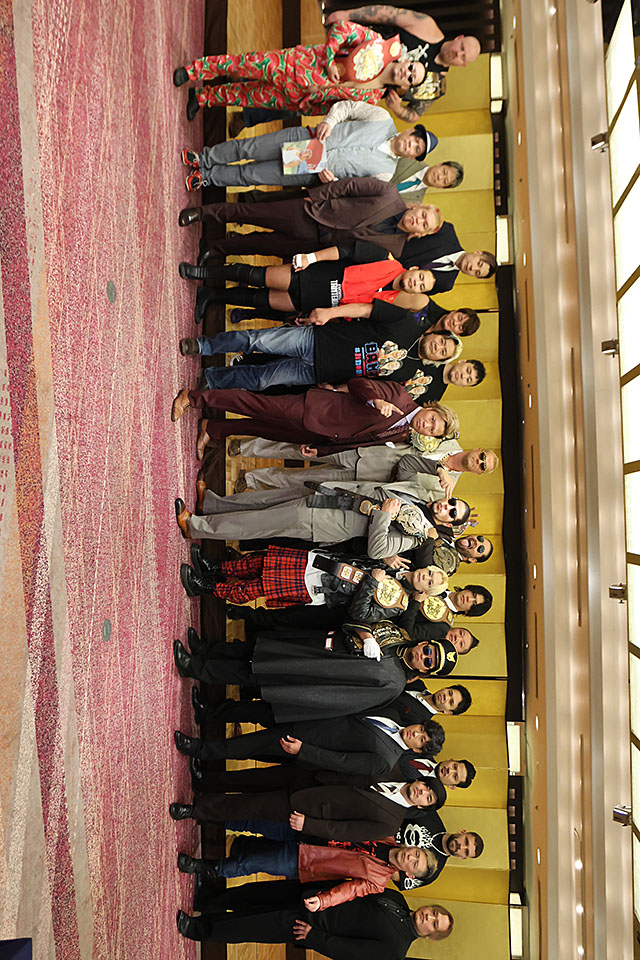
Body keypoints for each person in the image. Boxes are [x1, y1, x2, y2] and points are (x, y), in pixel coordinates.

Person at [172, 620, 463, 722]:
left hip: (311, 672)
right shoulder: (399, 636)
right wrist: (366, 636)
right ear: (425, 643)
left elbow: (344, 699)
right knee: (255, 648)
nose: (423, 656)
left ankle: (193, 668)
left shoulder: (394, 684)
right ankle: (204, 649)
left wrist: (304, 690)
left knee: (249, 674)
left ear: (425, 672)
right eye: (428, 650)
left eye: (428, 662)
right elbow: (359, 621)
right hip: (317, 643)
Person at [174, 21, 430, 120]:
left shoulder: (373, 98)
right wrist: (329, 60)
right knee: (241, 64)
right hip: (296, 64)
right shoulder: (377, 44)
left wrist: (307, 106)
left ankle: (202, 98)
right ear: (406, 60)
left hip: (298, 97)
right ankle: (194, 71)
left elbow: (335, 108)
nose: (406, 73)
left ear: (405, 87)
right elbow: (341, 28)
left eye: (411, 78)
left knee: (245, 96)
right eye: (411, 67)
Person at [169, 376, 451, 463]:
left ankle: (213, 428)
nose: (427, 426)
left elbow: (360, 442)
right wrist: (375, 400)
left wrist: (322, 450)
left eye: (432, 431)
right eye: (432, 420)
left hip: (320, 434)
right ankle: (193, 398)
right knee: (256, 405)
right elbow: (358, 383)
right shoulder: (399, 396)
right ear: (431, 409)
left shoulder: (402, 434)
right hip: (317, 409)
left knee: (261, 428)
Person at [178, 177, 447, 263]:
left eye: (424, 225)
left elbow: (354, 255)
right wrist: (316, 196)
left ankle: (216, 248)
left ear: (421, 233)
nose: (419, 221)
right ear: (419, 207)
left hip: (317, 244)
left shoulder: (395, 249)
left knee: (261, 245)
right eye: (423, 215)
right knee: (251, 213)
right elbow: (348, 186)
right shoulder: (389, 193)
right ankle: (202, 213)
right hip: (313, 212)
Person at [181, 100, 437, 190]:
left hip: (312, 169)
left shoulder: (386, 174)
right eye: (416, 139)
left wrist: (333, 182)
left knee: (252, 175)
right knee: (248, 148)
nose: (411, 145)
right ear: (411, 130)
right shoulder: (383, 118)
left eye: (417, 149)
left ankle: (208, 177)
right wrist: (330, 121)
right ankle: (204, 158)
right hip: (307, 139)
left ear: (412, 158)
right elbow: (348, 107)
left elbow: (354, 189)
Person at [183, 238, 444, 322]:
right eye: (420, 277)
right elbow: (345, 250)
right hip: (314, 275)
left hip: (314, 301)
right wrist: (311, 258)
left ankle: (211, 296)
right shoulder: (384, 258)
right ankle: (203, 273)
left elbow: (352, 313)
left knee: (256, 299)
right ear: (414, 269)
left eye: (421, 287)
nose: (416, 283)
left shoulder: (390, 300)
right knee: (255, 275)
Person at [176, 879, 453, 953]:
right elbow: (355, 889)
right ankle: (207, 900)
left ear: (431, 936)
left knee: (249, 926)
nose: (429, 917)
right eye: (434, 913)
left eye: (434, 923)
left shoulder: (396, 949)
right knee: (254, 897)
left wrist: (315, 938)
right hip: (313, 898)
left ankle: (197, 929)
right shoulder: (398, 899)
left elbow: (351, 951)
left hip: (309, 926)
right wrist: (320, 893)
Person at [173, 704, 435, 778]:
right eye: (421, 729)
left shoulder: (385, 761)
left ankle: (197, 749)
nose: (416, 733)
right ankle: (207, 713)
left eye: (421, 740)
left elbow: (341, 762)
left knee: (248, 745)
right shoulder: (392, 715)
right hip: (309, 714)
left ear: (418, 750)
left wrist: (304, 751)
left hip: (305, 740)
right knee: (255, 709)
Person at [169, 776, 446, 841]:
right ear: (421, 780)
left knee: (250, 807)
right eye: (426, 787)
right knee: (252, 781)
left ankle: (194, 811)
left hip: (309, 808)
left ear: (422, 806)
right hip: (310, 776)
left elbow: (347, 831)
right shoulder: (391, 767)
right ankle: (206, 793)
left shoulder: (391, 822)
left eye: (427, 798)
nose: (422, 792)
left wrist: (310, 825)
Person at [177, 835, 435, 899]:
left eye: (414, 863)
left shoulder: (377, 882)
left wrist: (323, 901)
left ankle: (204, 867)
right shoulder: (387, 833)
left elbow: (348, 892)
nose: (410, 857)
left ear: (409, 873)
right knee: (258, 844)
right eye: (416, 853)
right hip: (309, 830)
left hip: (308, 860)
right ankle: (216, 848)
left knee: (252, 864)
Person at [396, 810, 484, 887]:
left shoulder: (432, 872)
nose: (461, 846)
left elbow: (399, 877)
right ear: (462, 832)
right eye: (465, 841)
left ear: (463, 857)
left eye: (466, 851)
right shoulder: (430, 815)